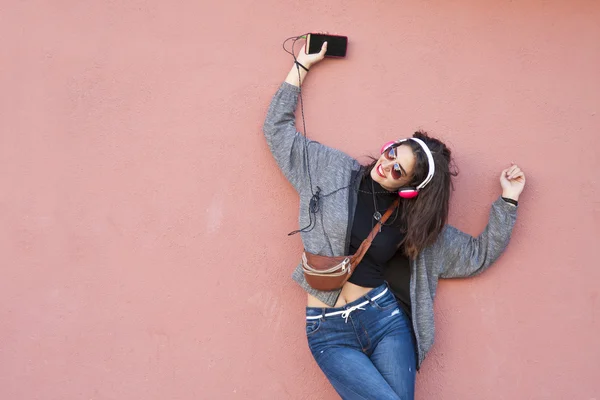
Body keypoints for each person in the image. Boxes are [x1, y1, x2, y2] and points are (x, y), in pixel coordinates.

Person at [262, 40, 526, 400]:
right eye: (390, 153)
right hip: (327, 330)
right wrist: (301, 66)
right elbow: (278, 134)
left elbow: (476, 255)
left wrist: (508, 201)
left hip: (385, 322)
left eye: (397, 170)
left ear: (410, 187)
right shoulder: (331, 170)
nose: (385, 165)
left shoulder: (413, 225)